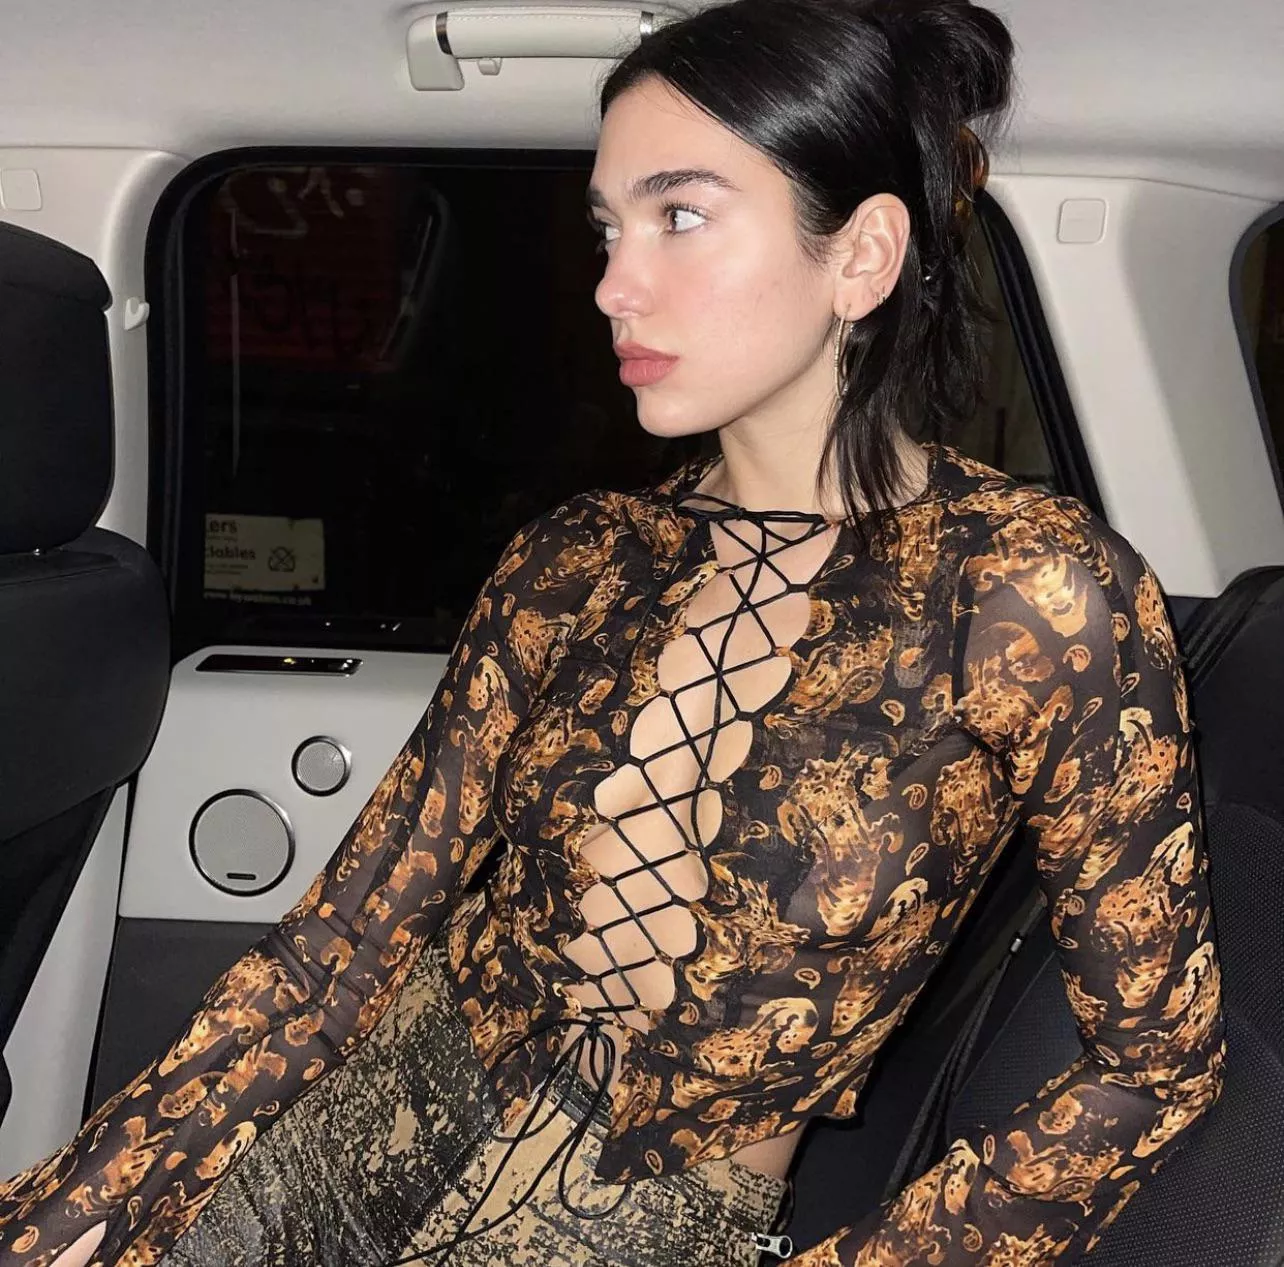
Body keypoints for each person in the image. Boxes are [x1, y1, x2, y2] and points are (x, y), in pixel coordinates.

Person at [0, 0, 1227, 1263]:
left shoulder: (1031, 591)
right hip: (350, 1131)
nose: (612, 285)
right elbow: (341, 939)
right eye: (607, 227)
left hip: (645, 1226)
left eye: (678, 216)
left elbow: (1155, 1063)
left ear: (861, 255)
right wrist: (89, 1196)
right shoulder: (578, 558)